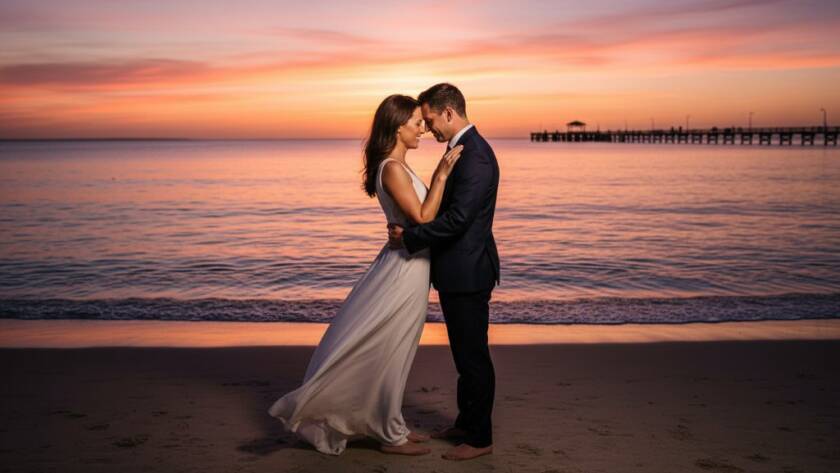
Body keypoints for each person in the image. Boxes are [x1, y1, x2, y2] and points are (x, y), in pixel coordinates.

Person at [267, 94, 463, 456]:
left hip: (413, 267)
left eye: (423, 121)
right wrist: (441, 176)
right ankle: (390, 435)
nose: (423, 127)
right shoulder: (391, 168)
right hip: (404, 272)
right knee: (390, 346)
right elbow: (422, 218)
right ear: (397, 126)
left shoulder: (398, 166)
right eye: (416, 122)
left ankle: (392, 424)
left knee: (397, 348)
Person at [387, 83, 500, 461]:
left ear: (449, 113)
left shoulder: (477, 157)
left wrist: (411, 236)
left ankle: (480, 438)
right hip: (458, 269)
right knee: (463, 356)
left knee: (473, 357)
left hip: (469, 272)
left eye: (431, 120)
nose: (429, 128)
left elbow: (458, 220)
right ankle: (466, 423)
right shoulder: (461, 151)